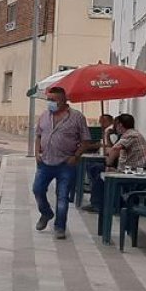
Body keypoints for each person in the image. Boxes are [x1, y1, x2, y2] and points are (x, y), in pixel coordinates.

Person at [33, 86, 94, 239]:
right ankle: (46, 213)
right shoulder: (44, 116)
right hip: (45, 161)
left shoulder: (77, 117)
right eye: (48, 99)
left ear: (63, 101)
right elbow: (39, 135)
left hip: (66, 163)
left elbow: (86, 140)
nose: (49, 103)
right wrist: (36, 153)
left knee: (62, 196)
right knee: (37, 190)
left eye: (52, 100)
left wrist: (76, 156)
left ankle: (60, 227)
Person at [80, 113, 117, 213]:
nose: (101, 124)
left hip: (113, 163)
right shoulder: (106, 131)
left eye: (103, 121)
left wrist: (107, 137)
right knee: (91, 167)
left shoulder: (111, 132)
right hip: (105, 159)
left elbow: (112, 148)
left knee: (96, 170)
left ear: (111, 121)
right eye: (100, 122)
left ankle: (96, 203)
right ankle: (93, 193)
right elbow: (101, 144)